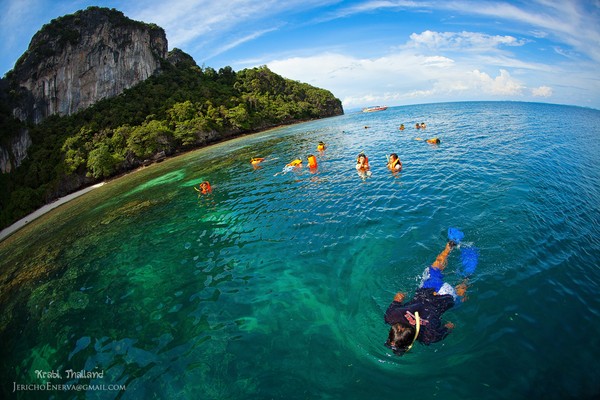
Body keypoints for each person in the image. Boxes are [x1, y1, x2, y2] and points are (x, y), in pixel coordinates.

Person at [384, 240, 468, 355]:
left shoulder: (429, 336)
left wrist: (441, 324)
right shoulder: (391, 316)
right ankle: (448, 248)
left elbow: (450, 325)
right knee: (434, 268)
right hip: (427, 289)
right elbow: (399, 296)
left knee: (460, 298)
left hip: (446, 296)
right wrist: (406, 293)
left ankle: (466, 278)